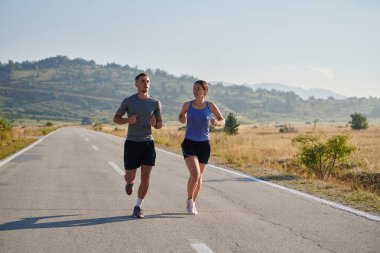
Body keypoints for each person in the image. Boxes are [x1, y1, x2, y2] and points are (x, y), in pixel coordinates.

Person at [113, 73, 163, 218]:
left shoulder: (155, 103)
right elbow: (116, 118)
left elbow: (160, 124)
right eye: (142, 81)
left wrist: (156, 124)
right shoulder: (128, 101)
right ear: (136, 84)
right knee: (130, 176)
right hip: (132, 143)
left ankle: (138, 206)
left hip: (148, 143)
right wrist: (128, 120)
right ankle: (129, 182)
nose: (145, 84)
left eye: (147, 81)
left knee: (146, 176)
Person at [178, 80, 224, 214]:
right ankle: (189, 200)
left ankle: (193, 202)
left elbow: (222, 120)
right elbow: (181, 116)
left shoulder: (210, 106)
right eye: (194, 88)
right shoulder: (187, 105)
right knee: (195, 174)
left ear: (205, 91)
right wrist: (182, 118)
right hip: (189, 143)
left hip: (204, 145)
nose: (195, 91)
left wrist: (217, 123)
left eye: (198, 88)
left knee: (199, 177)